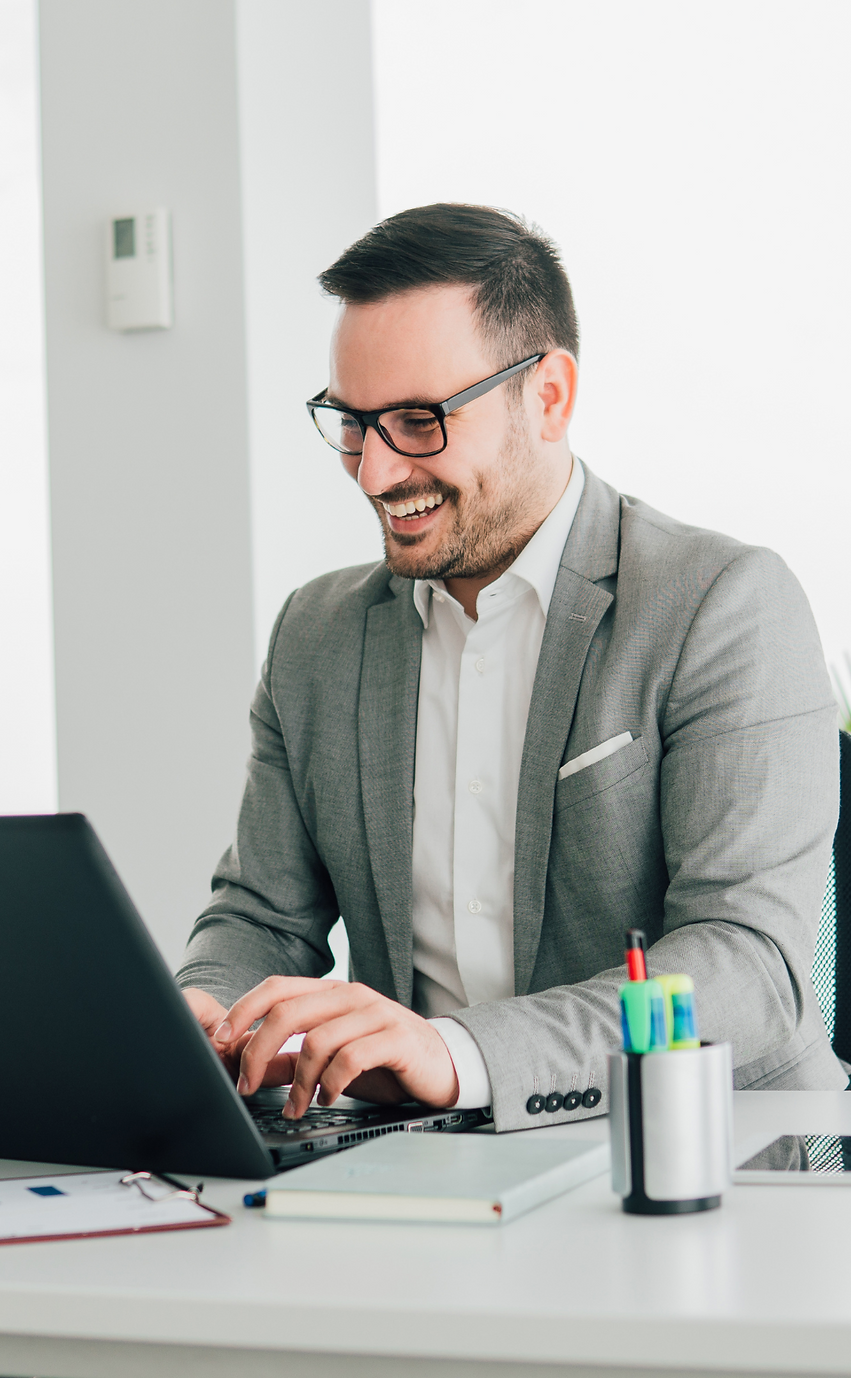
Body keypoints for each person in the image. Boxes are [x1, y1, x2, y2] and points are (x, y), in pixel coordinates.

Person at [177, 203, 847, 1131]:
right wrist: (204, 1008)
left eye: (419, 421)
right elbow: (260, 914)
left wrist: (454, 1054)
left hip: (699, 1160)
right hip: (423, 1164)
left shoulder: (723, 603)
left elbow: (747, 967)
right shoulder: (317, 635)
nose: (374, 473)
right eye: (352, 422)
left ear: (550, 396)